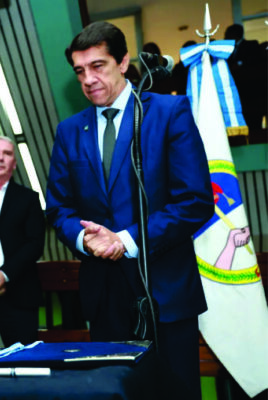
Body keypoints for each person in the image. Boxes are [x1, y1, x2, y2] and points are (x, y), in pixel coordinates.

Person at [46, 22, 213, 400]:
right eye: (79, 71)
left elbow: (196, 200)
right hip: (105, 299)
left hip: (166, 294)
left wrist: (125, 240)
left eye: (98, 66)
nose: (88, 79)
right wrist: (83, 238)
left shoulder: (168, 112)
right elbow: (58, 208)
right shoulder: (69, 131)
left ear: (123, 62)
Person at [0, 135, 45, 347]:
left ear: (14, 163)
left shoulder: (29, 198)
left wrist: (3, 275)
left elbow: (34, 244)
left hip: (20, 294)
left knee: (24, 359)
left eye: (7, 153)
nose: (0, 158)